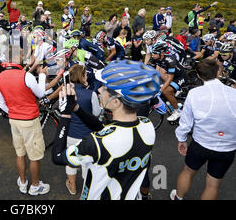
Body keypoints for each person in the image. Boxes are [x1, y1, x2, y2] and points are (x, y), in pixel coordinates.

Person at [52, 60, 161, 200]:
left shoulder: (97, 143)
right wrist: (77, 109)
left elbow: (58, 157)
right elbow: (105, 129)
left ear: (116, 101)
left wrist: (66, 115)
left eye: (104, 88)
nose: (99, 90)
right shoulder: (147, 125)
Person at [170, 59, 236, 200]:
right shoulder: (233, 93)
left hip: (201, 144)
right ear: (218, 72)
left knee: (188, 172)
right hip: (228, 148)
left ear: (199, 76)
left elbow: (186, 122)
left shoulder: (195, 93)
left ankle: (179, 197)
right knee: (213, 185)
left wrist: (181, 140)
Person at [0, 63, 50, 196]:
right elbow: (41, 93)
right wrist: (42, 75)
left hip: (14, 120)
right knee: (34, 155)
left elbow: (0, 102)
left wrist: (13, 112)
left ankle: (23, 182)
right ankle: (35, 186)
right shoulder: (27, 76)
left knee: (20, 153)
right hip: (29, 120)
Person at [64, 64, 101, 195]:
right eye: (85, 74)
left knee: (71, 161)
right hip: (87, 136)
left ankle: (72, 186)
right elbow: (96, 113)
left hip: (70, 134)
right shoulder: (91, 94)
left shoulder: (65, 92)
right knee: (87, 164)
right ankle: (87, 190)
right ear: (82, 76)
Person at [149, 40, 186, 122]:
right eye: (152, 52)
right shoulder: (156, 58)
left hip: (180, 76)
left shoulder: (170, 61)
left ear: (161, 53)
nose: (152, 55)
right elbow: (156, 72)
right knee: (161, 87)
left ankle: (177, 111)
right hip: (171, 76)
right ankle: (173, 99)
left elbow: (170, 78)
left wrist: (161, 89)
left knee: (166, 91)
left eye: (155, 53)